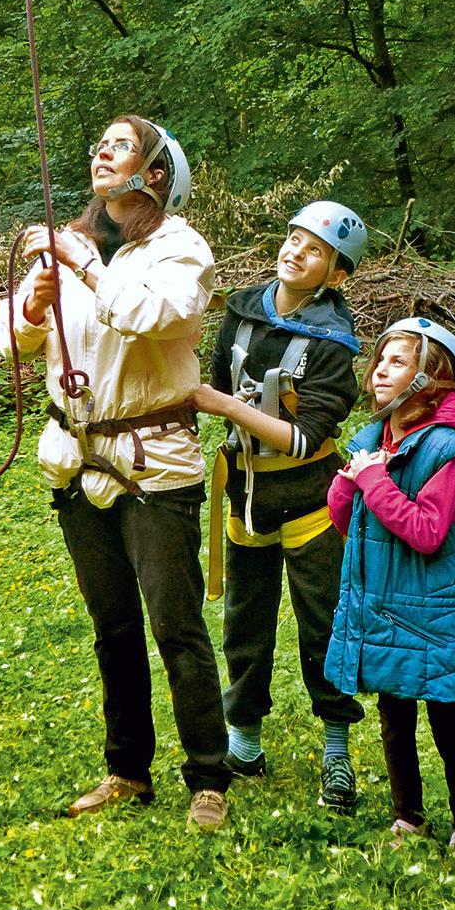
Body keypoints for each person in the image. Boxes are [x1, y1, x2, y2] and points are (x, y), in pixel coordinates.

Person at [0, 115, 232, 832]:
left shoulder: (180, 249)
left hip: (154, 466)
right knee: (113, 628)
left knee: (175, 624)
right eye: (97, 142)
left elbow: (153, 315)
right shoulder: (76, 248)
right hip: (78, 460)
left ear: (153, 173)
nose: (100, 151)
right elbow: (9, 341)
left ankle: (208, 777)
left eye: (119, 144)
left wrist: (84, 267)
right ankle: (128, 769)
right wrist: (33, 309)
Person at [193, 201, 368, 812]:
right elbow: (214, 384)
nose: (295, 250)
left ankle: (337, 748)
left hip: (310, 500)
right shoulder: (241, 312)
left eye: (314, 248)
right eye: (293, 238)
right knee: (245, 620)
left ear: (336, 274)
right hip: (245, 494)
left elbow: (304, 436)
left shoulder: (333, 345)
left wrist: (224, 407)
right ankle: (243, 739)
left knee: (323, 622)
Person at [323, 319, 455, 867]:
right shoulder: (370, 439)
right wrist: (349, 482)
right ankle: (407, 815)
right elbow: (346, 520)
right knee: (394, 710)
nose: (380, 369)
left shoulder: (445, 450)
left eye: (398, 361)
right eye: (380, 358)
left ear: (432, 379)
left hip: (439, 609)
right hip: (386, 601)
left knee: (447, 718)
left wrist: (374, 480)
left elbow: (427, 533)